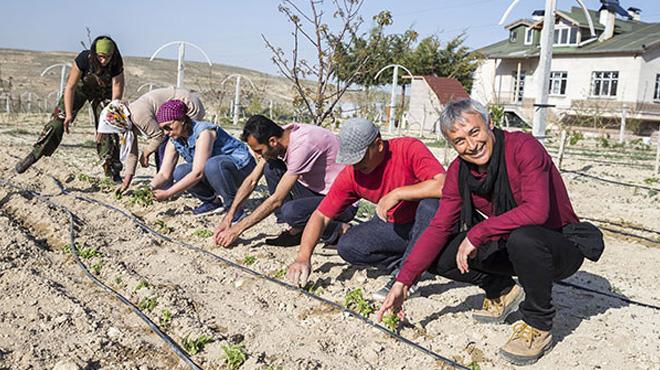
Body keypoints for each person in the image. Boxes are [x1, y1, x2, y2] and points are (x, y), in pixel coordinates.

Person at [377, 99, 604, 366]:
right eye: (459, 141)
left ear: (489, 124)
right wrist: (404, 280)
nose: (471, 145)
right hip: (514, 245)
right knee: (440, 254)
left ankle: (537, 324)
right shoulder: (459, 172)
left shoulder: (523, 147)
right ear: (452, 146)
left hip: (559, 245)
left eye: (474, 132)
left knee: (523, 236)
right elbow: (439, 226)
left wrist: (479, 232)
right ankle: (503, 290)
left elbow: (537, 211)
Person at [286, 118, 446, 300]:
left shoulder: (408, 148)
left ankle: (406, 277)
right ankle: (416, 260)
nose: (356, 166)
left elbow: (443, 186)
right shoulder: (353, 174)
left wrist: (398, 193)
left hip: (429, 224)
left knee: (432, 203)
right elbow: (320, 216)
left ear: (377, 145)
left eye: (360, 158)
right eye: (351, 160)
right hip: (398, 228)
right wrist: (303, 256)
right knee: (349, 246)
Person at [214, 115, 355, 248]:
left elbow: (276, 200)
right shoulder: (283, 134)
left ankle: (339, 230)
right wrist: (229, 217)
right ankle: (296, 227)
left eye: (258, 150)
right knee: (271, 167)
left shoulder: (303, 145)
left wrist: (237, 229)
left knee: (292, 212)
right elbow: (252, 180)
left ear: (273, 141)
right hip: (317, 191)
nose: (257, 156)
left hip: (343, 203)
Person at [15, 36, 125, 179]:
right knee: (57, 122)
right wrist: (68, 114)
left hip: (104, 93)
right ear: (95, 54)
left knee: (110, 126)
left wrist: (105, 122)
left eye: (107, 57)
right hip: (80, 89)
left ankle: (111, 170)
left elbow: (116, 98)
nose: (104, 61)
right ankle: (34, 155)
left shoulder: (116, 62)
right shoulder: (84, 59)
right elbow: (70, 88)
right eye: (101, 57)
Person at [149, 100, 255, 216]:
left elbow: (198, 173)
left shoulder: (204, 132)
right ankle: (212, 202)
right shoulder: (174, 140)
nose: (166, 132)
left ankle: (235, 208)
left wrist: (168, 193)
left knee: (212, 164)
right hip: (216, 173)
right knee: (180, 171)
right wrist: (149, 187)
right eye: (163, 129)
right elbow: (164, 174)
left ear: (182, 120)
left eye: (168, 127)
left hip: (241, 168)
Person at [99, 88, 205, 193]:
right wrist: (126, 182)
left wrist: (146, 152)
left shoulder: (137, 116)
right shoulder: (127, 122)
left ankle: (173, 182)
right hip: (171, 116)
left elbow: (159, 136)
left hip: (188, 104)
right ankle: (166, 181)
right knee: (163, 144)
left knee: (173, 143)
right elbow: (132, 154)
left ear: (118, 120)